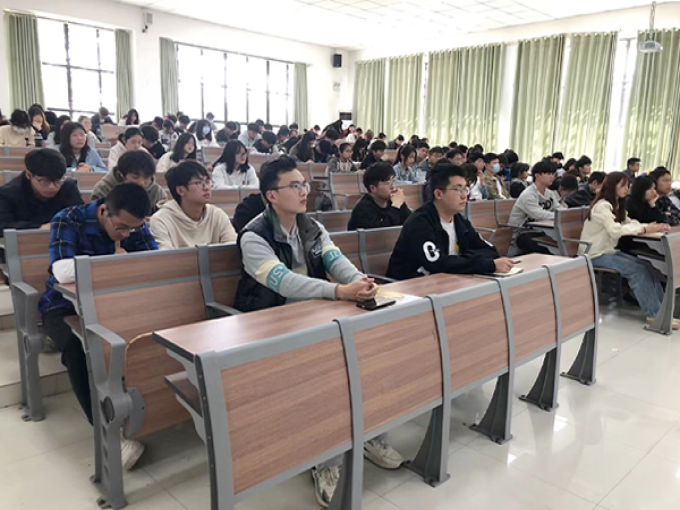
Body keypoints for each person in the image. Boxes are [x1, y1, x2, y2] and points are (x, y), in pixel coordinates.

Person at [233, 156, 403, 507]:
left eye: (304, 184)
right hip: (270, 321)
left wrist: (359, 281)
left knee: (374, 354)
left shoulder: (311, 226)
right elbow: (282, 282)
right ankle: (325, 462)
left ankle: (370, 434)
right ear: (271, 195)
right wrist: (338, 292)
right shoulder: (253, 235)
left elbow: (334, 259)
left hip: (313, 314)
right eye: (294, 186)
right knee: (331, 372)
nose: (303, 191)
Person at [38, 183, 156, 469]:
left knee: (158, 331)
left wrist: (126, 260)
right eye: (122, 228)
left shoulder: (134, 224)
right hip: (63, 306)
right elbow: (62, 269)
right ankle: (109, 434)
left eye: (133, 229)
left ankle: (157, 409)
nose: (127, 234)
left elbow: (153, 260)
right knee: (77, 348)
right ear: (104, 210)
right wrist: (114, 263)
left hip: (115, 303)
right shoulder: (68, 218)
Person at [579, 172, 674, 328]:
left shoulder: (617, 204)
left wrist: (648, 227)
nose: (626, 189)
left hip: (608, 251)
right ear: (612, 186)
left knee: (647, 266)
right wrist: (644, 229)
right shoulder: (602, 206)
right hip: (594, 254)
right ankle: (655, 315)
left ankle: (662, 311)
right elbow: (615, 230)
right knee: (636, 270)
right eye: (622, 185)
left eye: (627, 186)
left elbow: (629, 222)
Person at [387, 162, 512, 280]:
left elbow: (490, 250)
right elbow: (437, 263)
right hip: (411, 286)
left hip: (446, 281)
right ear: (438, 194)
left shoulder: (459, 220)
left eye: (466, 189)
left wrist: (461, 259)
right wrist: (486, 265)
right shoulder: (420, 222)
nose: (464, 195)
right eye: (458, 190)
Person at [150, 161, 236, 249]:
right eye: (198, 183)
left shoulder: (217, 215)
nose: (206, 188)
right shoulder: (161, 220)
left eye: (207, 182)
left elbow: (232, 248)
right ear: (181, 190)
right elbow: (165, 255)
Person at [0, 149, 82, 234]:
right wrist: (39, 228)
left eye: (57, 181)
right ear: (28, 175)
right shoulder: (7, 194)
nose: (52, 187)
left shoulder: (68, 186)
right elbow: (2, 225)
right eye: (44, 181)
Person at [508, 161, 564, 256]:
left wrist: (567, 215)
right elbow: (538, 214)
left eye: (552, 174)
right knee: (547, 249)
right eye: (548, 174)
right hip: (522, 232)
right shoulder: (528, 194)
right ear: (537, 176)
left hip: (540, 230)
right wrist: (558, 216)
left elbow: (559, 208)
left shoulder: (549, 193)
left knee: (561, 242)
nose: (552, 177)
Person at [92, 150, 167, 213]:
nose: (141, 183)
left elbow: (164, 214)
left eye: (146, 178)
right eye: (135, 177)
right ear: (122, 175)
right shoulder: (103, 188)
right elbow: (98, 216)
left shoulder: (156, 191)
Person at [348, 162, 411, 230]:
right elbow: (381, 233)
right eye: (388, 183)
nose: (393, 187)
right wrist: (395, 207)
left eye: (393, 182)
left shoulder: (395, 201)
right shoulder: (362, 208)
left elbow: (411, 223)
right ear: (373, 188)